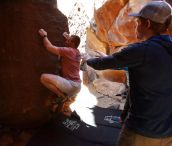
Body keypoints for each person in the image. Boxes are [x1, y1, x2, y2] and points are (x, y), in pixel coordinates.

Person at [85, 1, 172, 146]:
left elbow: (101, 64)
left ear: (148, 24)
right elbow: (150, 70)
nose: (136, 25)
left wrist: (86, 59)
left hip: (142, 131)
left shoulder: (140, 51)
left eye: (138, 21)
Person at [38, 29, 81, 103]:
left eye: (69, 40)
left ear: (73, 43)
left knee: (43, 78)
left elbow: (49, 47)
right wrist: (68, 38)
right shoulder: (77, 52)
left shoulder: (68, 51)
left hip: (71, 85)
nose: (66, 41)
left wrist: (44, 36)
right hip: (77, 86)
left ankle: (61, 96)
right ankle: (61, 101)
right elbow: (73, 45)